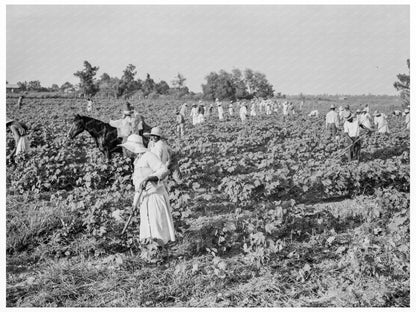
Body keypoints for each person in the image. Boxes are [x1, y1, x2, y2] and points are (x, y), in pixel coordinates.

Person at [119, 134, 175, 246]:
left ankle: (160, 249)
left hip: (155, 195)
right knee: (147, 227)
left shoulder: (149, 156)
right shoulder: (137, 161)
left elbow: (164, 170)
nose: (125, 151)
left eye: (127, 148)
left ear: (133, 148)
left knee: (157, 226)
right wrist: (134, 205)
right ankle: (150, 249)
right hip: (144, 198)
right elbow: (138, 187)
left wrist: (150, 178)